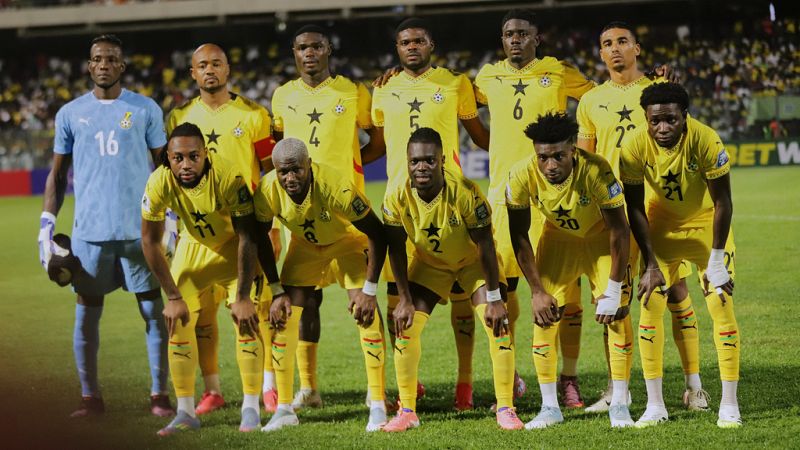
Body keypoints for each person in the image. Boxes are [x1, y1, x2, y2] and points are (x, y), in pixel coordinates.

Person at [575, 21, 708, 413]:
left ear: (637, 48)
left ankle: (693, 386)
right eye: (606, 44)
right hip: (611, 213)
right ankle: (620, 390)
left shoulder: (657, 88)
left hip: (656, 206)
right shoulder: (589, 101)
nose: (614, 49)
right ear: (600, 54)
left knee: (675, 292)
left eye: (622, 42)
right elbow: (586, 159)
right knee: (609, 301)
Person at [38, 34, 172, 418]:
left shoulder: (144, 109)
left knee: (152, 311)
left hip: (140, 232)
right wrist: (46, 225)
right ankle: (89, 398)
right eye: (97, 59)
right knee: (86, 313)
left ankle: (159, 397)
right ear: (89, 64)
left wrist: (173, 218)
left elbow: (165, 170)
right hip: (88, 234)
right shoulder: (70, 113)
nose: (103, 65)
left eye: (111, 59)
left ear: (122, 66)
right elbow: (58, 176)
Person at [474, 8, 595, 408]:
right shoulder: (486, 76)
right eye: (509, 34)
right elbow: (460, 106)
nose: (515, 40)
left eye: (523, 34)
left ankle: (569, 378)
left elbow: (599, 99)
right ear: (501, 39)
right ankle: (511, 380)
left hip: (554, 197)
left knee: (567, 296)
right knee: (502, 291)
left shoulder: (559, 71)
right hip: (502, 196)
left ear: (536, 38)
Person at [371, 17, 490, 410]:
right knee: (396, 300)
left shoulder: (456, 83)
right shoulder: (383, 89)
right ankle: (411, 383)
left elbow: (479, 135)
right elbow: (375, 139)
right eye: (404, 42)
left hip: (451, 202)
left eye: (419, 40)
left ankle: (466, 383)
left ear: (431, 44)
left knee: (465, 297)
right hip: (401, 205)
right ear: (397, 48)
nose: (411, 47)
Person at [270, 25, 386, 409]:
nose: (309, 53)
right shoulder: (282, 96)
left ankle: (377, 393)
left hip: (348, 217)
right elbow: (280, 151)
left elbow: (377, 144)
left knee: (362, 300)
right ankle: (309, 388)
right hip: (304, 219)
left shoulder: (354, 92)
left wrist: (348, 170)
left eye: (317, 46)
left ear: (328, 49)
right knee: (307, 303)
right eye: (302, 47)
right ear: (294, 52)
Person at [381, 127, 522, 432]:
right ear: (407, 162)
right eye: (415, 161)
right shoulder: (396, 196)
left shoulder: (466, 192)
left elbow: (486, 245)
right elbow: (395, 248)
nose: (422, 167)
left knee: (498, 325)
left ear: (442, 160)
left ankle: (506, 407)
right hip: (431, 264)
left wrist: (496, 299)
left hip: (473, 263)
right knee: (405, 328)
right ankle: (407, 410)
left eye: (430, 161)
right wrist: (404, 300)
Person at [140, 123, 276, 435]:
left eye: (192, 156)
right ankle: (186, 412)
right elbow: (149, 241)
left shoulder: (229, 176)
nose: (185, 165)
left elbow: (248, 236)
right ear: (168, 159)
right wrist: (173, 297)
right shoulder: (159, 181)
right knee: (178, 321)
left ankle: (251, 408)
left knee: (247, 320)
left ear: (206, 154)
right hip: (194, 247)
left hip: (234, 249)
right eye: (177, 158)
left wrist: (242, 297)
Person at [166, 43, 280, 415]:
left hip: (243, 232)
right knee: (201, 315)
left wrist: (272, 226)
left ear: (228, 69)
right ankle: (212, 389)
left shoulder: (254, 115)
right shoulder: (179, 117)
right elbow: (169, 175)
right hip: (197, 232)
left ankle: (267, 385)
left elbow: (270, 171)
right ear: (193, 73)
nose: (210, 70)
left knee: (254, 310)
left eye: (217, 63)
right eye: (203, 65)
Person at [620, 82, 741, 428]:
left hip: (705, 226)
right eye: (654, 121)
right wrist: (651, 263)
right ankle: (655, 405)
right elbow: (635, 207)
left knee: (720, 303)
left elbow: (723, 203)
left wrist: (716, 261)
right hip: (661, 226)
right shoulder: (632, 146)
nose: (662, 128)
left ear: (685, 116)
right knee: (650, 304)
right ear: (646, 119)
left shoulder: (706, 139)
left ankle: (729, 405)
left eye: (670, 119)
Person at [253, 138, 390, 432]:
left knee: (366, 314)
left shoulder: (335, 187)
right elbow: (261, 240)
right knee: (283, 318)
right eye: (283, 172)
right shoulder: (266, 191)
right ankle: (284, 409)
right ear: (275, 171)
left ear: (309, 166)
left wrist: (369, 290)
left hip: (349, 242)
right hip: (306, 247)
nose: (290, 178)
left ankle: (377, 404)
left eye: (296, 171)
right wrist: (276, 290)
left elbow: (377, 233)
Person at [506, 112, 633, 429]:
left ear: (573, 151)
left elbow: (620, 230)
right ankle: (550, 407)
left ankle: (619, 402)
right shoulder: (521, 176)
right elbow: (519, 236)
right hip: (558, 240)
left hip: (601, 239)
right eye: (543, 157)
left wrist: (615, 289)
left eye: (558, 156)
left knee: (616, 314)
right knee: (544, 316)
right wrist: (536, 291)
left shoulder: (596, 170)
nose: (550, 165)